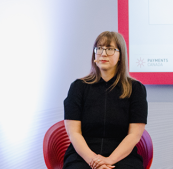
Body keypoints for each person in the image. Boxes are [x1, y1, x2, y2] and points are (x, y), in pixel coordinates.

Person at [63, 31, 148, 169]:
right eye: (99, 48)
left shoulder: (136, 89)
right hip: (83, 154)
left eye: (109, 49)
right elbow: (74, 133)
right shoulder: (78, 87)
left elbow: (134, 135)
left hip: (121, 154)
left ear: (120, 55)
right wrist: (93, 160)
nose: (103, 53)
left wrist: (109, 160)